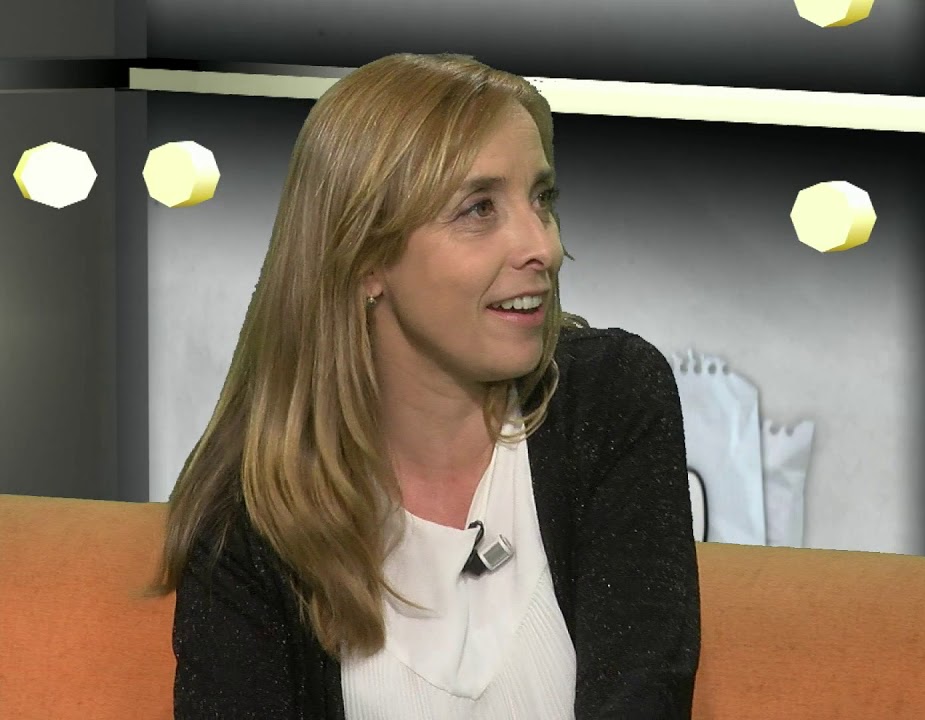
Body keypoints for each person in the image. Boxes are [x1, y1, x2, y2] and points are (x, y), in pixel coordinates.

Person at [149, 52, 701, 719]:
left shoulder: (609, 401)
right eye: (478, 209)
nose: (543, 247)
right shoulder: (248, 519)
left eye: (542, 200)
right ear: (366, 257)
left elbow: (644, 695)